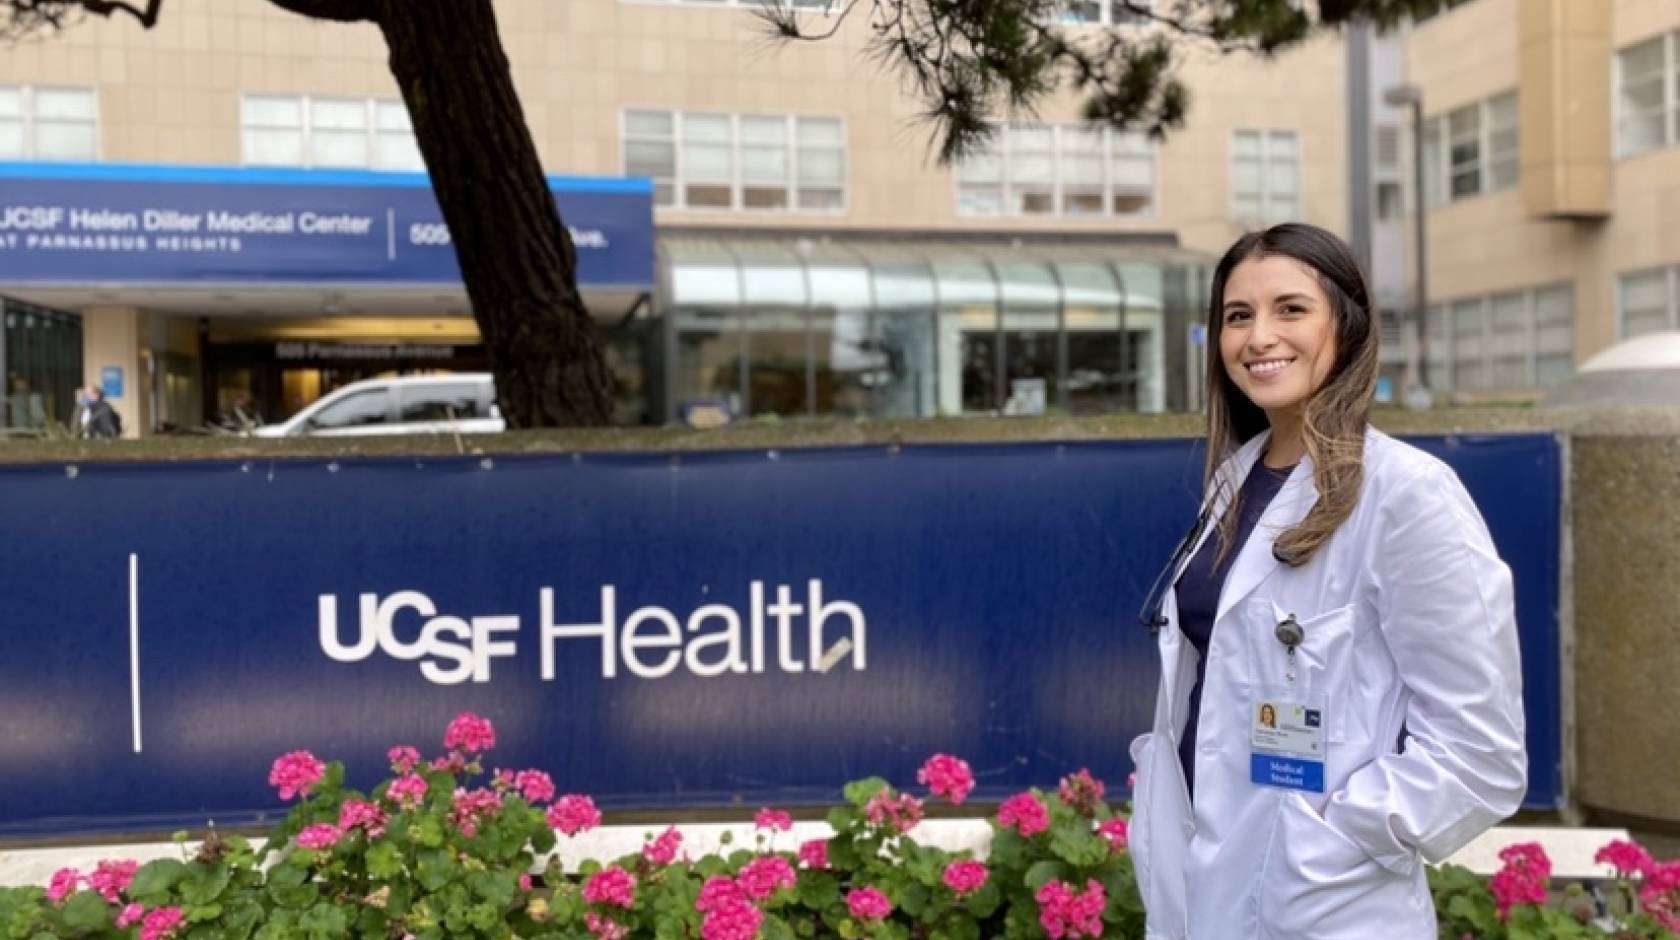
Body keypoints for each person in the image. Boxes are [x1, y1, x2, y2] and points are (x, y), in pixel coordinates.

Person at [1127, 224, 1526, 939]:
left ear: (1347, 324)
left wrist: (1327, 840)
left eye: (1290, 309)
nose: (1259, 337)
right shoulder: (1234, 481)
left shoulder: (1407, 494)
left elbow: (1480, 756)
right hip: (1200, 891)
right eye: (1238, 316)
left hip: (1326, 910)